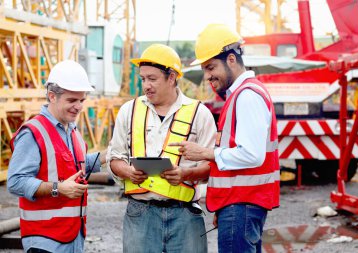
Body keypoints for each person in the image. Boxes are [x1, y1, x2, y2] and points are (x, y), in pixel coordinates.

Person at [170, 24, 280, 253]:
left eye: (211, 67)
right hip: (240, 204)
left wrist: (204, 153)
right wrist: (223, 206)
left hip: (242, 204)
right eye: (205, 68)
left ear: (231, 59)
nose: (207, 75)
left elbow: (252, 154)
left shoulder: (247, 96)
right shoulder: (242, 94)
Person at [106, 43, 216, 253]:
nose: (146, 85)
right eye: (143, 79)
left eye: (152, 79)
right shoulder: (129, 111)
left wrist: (186, 173)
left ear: (172, 77)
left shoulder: (199, 114)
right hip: (140, 213)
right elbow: (114, 158)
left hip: (185, 215)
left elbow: (212, 166)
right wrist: (128, 171)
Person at [7, 60, 106, 253]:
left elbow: (76, 166)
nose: (78, 107)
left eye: (82, 100)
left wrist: (107, 155)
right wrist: (58, 189)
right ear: (52, 96)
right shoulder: (33, 132)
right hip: (44, 240)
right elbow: (15, 182)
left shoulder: (73, 131)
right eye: (71, 100)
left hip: (73, 236)